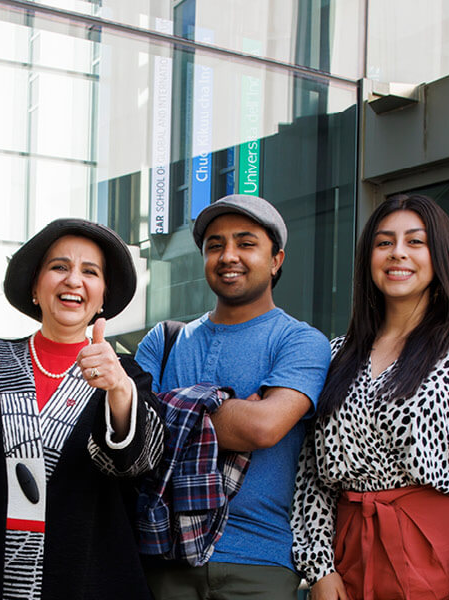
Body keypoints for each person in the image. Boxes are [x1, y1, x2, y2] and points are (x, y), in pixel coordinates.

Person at [0, 218, 163, 599]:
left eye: (89, 271)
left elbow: (137, 463)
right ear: (35, 288)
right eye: (59, 267)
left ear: (103, 295)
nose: (73, 280)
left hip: (84, 578)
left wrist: (119, 388)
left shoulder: (126, 376)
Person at [294, 194, 449, 600]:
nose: (398, 253)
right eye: (384, 242)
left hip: (441, 559)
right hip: (348, 560)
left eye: (415, 242)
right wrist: (320, 569)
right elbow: (311, 473)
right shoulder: (336, 354)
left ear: (441, 257)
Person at [137, 194, 332, 600]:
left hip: (260, 561)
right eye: (215, 245)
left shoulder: (300, 342)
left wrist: (171, 406)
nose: (228, 256)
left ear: (276, 259)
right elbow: (139, 433)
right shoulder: (165, 340)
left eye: (246, 243)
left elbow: (263, 428)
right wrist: (235, 411)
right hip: (165, 557)